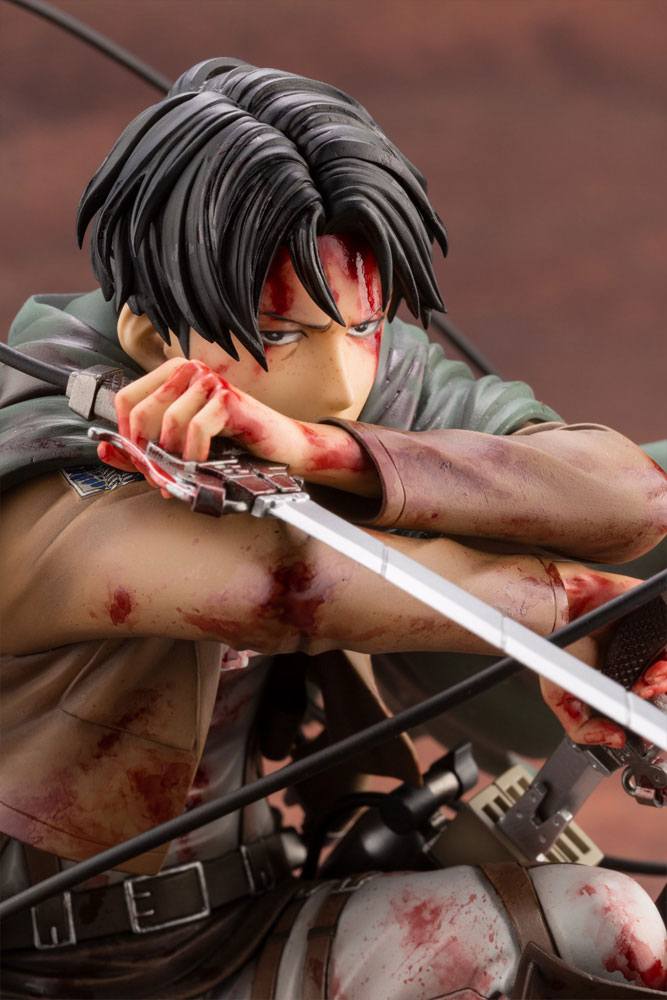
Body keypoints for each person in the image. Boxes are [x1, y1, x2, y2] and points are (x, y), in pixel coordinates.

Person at [1, 59, 665, 998]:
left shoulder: (348, 389)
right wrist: (577, 613)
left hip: (252, 919)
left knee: (601, 924)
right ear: (153, 337)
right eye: (278, 335)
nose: (340, 382)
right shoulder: (40, 459)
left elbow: (626, 497)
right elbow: (277, 584)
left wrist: (328, 451)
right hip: (40, 965)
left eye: (360, 326)